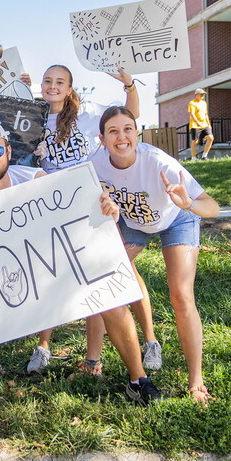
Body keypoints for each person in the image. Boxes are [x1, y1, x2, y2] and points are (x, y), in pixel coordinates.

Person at [0, 120, 163, 429]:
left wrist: (107, 209)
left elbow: (81, 216)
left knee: (111, 297)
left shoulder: (36, 178)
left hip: (53, 271)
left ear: (8, 151)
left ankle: (138, 379)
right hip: (4, 284)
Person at [28, 63, 159, 377]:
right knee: (54, 272)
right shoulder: (33, 117)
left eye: (60, 82)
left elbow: (131, 114)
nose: (53, 86)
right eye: (48, 81)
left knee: (115, 272)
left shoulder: (87, 113)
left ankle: (146, 341)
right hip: (54, 204)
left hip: (92, 202)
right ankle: (44, 346)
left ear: (70, 88)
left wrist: (129, 85)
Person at [92, 106, 220, 403]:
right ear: (102, 138)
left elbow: (212, 207)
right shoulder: (94, 165)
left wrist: (188, 204)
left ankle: (196, 382)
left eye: (127, 129)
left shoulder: (160, 162)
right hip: (134, 223)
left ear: (136, 133)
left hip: (177, 219)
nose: (121, 136)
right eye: (113, 131)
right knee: (103, 280)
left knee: (181, 295)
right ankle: (96, 362)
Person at [188, 88, 213, 160]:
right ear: (196, 94)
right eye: (201, 94)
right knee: (195, 141)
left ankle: (204, 156)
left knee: (210, 138)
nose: (202, 95)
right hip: (195, 125)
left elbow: (205, 114)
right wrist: (198, 123)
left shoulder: (204, 103)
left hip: (205, 124)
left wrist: (209, 124)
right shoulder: (192, 103)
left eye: (203, 94)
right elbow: (192, 114)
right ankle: (193, 158)